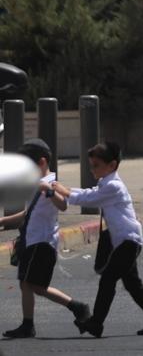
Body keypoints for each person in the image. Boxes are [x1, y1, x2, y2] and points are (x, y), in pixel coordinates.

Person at [52, 142, 143, 338]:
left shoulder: (114, 186)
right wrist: (65, 190)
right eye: (91, 165)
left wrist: (65, 192)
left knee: (108, 280)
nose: (92, 169)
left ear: (112, 165)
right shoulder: (106, 184)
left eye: (96, 165)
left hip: (128, 241)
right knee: (132, 284)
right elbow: (88, 193)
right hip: (124, 242)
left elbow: (89, 198)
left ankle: (96, 323)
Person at [0, 139, 91, 339]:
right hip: (33, 241)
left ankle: (77, 308)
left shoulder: (51, 183)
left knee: (35, 286)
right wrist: (3, 221)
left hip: (42, 243)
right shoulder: (37, 184)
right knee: (27, 284)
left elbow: (63, 205)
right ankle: (29, 324)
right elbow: (27, 214)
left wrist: (48, 191)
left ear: (41, 162)